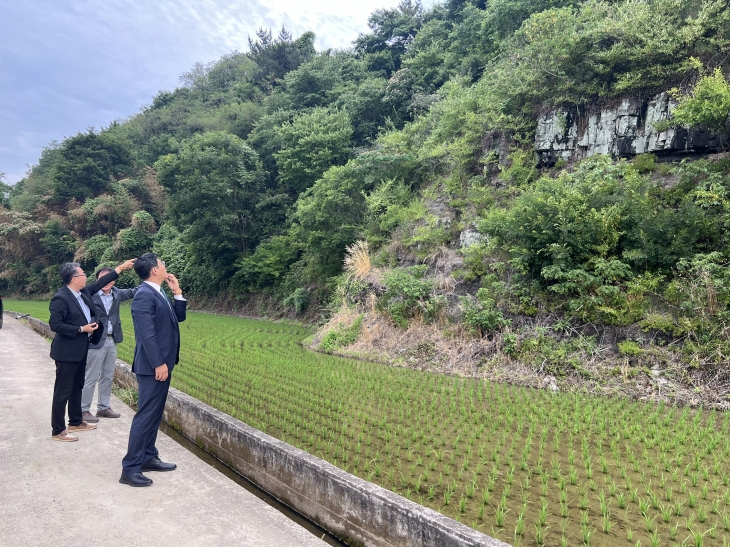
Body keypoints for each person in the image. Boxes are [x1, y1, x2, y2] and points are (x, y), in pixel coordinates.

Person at [49, 259, 136, 442]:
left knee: (77, 387)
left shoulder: (83, 293)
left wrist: (120, 268)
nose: (86, 277)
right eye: (83, 274)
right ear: (74, 278)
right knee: (63, 391)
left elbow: (101, 283)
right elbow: (55, 325)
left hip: (81, 349)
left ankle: (75, 421)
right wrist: (82, 329)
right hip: (66, 352)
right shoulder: (61, 298)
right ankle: (58, 430)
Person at [120, 253, 186, 487]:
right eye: (162, 263)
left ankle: (148, 456)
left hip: (163, 364)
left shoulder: (159, 292)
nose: (165, 265)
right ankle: (130, 468)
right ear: (154, 270)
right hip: (153, 367)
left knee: (155, 414)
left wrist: (177, 292)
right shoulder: (143, 296)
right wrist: (158, 363)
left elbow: (179, 318)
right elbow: (147, 334)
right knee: (146, 415)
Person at [80, 267, 138, 423]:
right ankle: (83, 409)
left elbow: (134, 291)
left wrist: (153, 280)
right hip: (96, 340)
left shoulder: (117, 293)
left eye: (109, 278)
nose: (106, 282)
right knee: (91, 375)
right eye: (102, 278)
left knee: (107, 375)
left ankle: (103, 407)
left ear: (114, 279)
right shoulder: (89, 293)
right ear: (98, 280)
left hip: (112, 339)